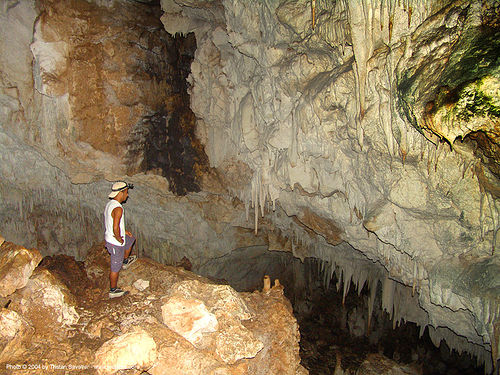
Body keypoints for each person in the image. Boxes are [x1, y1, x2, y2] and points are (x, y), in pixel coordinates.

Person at [104, 181, 137, 298]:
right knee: (115, 267)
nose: (127, 195)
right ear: (120, 193)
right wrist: (118, 238)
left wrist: (124, 232)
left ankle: (125, 260)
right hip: (114, 242)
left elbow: (113, 222)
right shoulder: (118, 209)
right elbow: (115, 227)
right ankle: (113, 290)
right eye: (126, 193)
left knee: (131, 239)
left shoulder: (110, 204)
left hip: (116, 237)